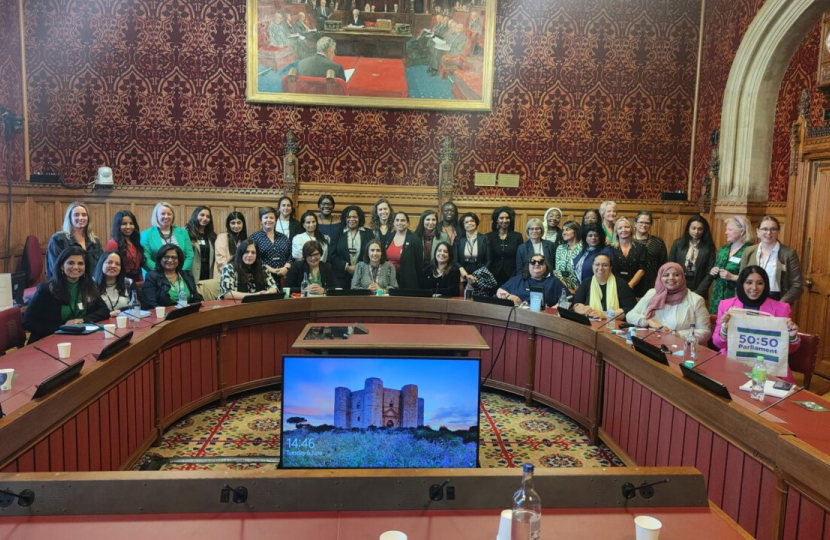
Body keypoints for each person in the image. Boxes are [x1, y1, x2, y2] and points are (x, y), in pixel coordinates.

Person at [712, 266, 800, 379]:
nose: (754, 288)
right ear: (741, 284)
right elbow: (718, 343)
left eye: (760, 283)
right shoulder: (727, 305)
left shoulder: (781, 308)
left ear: (766, 285)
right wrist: (724, 329)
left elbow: (788, 350)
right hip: (734, 364)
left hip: (769, 369)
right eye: (749, 282)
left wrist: (792, 337)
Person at [23, 246, 108, 344]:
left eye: (80, 263)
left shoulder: (89, 286)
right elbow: (28, 322)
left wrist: (82, 320)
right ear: (61, 266)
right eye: (70, 263)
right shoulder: (46, 290)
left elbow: (104, 311)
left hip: (80, 340)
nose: (76, 267)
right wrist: (62, 327)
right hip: (50, 342)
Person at [626, 262, 711, 343]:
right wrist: (649, 321)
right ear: (660, 278)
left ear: (682, 278)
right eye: (666, 275)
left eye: (676, 275)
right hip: (650, 344)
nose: (671, 278)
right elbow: (630, 315)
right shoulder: (652, 293)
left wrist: (676, 334)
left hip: (681, 348)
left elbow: (705, 332)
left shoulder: (696, 300)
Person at [739, 215, 803, 305]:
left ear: (778, 232)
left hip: (777, 300)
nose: (769, 233)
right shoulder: (748, 251)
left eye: (773, 229)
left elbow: (797, 285)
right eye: (764, 229)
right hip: (751, 298)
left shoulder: (788, 253)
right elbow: (741, 281)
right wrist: (740, 302)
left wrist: (781, 304)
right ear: (758, 231)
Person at [704, 216, 754, 314]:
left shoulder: (750, 251)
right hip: (717, 297)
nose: (726, 232)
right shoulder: (723, 249)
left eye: (730, 230)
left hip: (736, 297)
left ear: (742, 231)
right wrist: (713, 271)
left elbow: (753, 278)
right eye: (726, 229)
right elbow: (716, 268)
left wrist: (732, 277)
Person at [47, 202, 104, 281]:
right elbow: (55, 269)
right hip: (64, 286)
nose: (81, 218)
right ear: (70, 218)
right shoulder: (58, 239)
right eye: (76, 215)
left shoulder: (95, 241)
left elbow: (101, 267)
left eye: (84, 215)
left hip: (91, 286)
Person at [572, 253, 637, 319]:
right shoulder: (586, 282)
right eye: (597, 264)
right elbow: (576, 304)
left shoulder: (621, 284)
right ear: (592, 266)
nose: (600, 268)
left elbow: (630, 310)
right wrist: (583, 309)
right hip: (590, 324)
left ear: (610, 268)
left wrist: (606, 315)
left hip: (613, 325)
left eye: (605, 265)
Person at [668, 215, 716, 297]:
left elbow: (710, 272)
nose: (696, 232)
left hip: (698, 285)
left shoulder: (709, 247)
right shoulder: (678, 244)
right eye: (693, 228)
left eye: (700, 229)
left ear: (704, 231)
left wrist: (699, 292)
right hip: (679, 283)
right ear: (688, 229)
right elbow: (670, 265)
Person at [142, 244, 203, 308]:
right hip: (165, 315)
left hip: (187, 313)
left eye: (174, 257)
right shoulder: (152, 276)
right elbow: (151, 303)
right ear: (160, 259)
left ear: (179, 260)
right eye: (166, 257)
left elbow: (197, 299)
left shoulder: (187, 275)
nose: (170, 260)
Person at [141, 202, 194, 273]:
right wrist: (164, 273)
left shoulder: (183, 232)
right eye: (163, 214)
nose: (166, 216)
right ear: (156, 216)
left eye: (169, 214)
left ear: (173, 216)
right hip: (156, 275)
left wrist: (179, 272)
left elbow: (189, 255)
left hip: (180, 275)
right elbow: (146, 258)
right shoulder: (146, 234)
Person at [496, 254, 566, 307]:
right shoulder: (518, 279)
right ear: (528, 265)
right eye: (533, 262)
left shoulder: (554, 281)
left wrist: (553, 310)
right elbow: (500, 291)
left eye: (541, 262)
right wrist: (508, 296)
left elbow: (568, 299)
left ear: (546, 266)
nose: (536, 264)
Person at [330, 205, 373, 288]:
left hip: (363, 276)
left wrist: (359, 268)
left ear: (359, 218)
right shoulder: (337, 232)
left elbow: (371, 253)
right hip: (341, 276)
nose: (351, 219)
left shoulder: (368, 233)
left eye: (355, 217)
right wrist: (346, 267)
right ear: (345, 218)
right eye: (348, 217)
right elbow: (332, 255)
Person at [248, 206, 292, 280]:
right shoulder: (254, 238)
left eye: (271, 218)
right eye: (266, 217)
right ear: (261, 221)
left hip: (284, 277)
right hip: (262, 276)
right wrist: (271, 270)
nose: (269, 220)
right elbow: (253, 258)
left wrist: (286, 268)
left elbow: (290, 257)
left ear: (275, 220)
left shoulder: (283, 237)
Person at [454, 212, 493, 293]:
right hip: (463, 275)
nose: (470, 223)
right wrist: (464, 273)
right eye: (466, 222)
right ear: (463, 225)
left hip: (481, 275)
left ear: (476, 223)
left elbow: (489, 260)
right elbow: (455, 260)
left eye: (472, 221)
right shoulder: (459, 239)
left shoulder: (485, 238)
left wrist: (478, 275)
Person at [384, 211, 423, 289]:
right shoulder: (389, 237)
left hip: (407, 280)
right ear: (394, 223)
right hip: (388, 279)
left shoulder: (415, 239)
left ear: (408, 223)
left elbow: (419, 265)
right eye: (397, 220)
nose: (399, 223)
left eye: (403, 220)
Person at [632, 210, 667, 298]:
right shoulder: (629, 242)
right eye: (641, 222)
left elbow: (663, 265)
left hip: (652, 286)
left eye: (647, 223)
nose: (644, 225)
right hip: (633, 284)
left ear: (651, 224)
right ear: (635, 223)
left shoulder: (658, 242)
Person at [608, 217, 647, 292]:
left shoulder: (641, 247)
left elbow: (642, 269)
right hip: (614, 288)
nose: (624, 230)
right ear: (616, 231)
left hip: (637, 288)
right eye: (620, 228)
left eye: (627, 227)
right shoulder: (610, 248)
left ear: (631, 229)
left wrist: (629, 286)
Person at [486, 206, 523, 285]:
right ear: (496, 220)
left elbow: (519, 258)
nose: (505, 220)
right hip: (492, 276)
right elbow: (487, 258)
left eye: (507, 218)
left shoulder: (517, 237)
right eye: (501, 218)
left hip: (512, 276)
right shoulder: (488, 237)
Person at [105, 210, 143, 283]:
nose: (128, 227)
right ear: (118, 226)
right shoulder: (113, 243)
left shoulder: (135, 242)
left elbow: (139, 266)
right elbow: (109, 268)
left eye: (131, 223)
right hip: (121, 282)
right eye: (124, 224)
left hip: (138, 282)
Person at [93, 251, 133, 318]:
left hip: (125, 322)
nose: (113, 266)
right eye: (109, 262)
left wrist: (121, 310)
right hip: (101, 324)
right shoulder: (91, 285)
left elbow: (142, 305)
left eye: (117, 264)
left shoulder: (128, 283)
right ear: (101, 264)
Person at [185, 206, 216, 282]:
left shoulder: (212, 235)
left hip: (208, 272)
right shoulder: (186, 232)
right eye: (202, 215)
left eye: (208, 216)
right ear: (196, 215)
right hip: (191, 271)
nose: (205, 218)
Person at [552, 220, 584, 292]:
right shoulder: (560, 248)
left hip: (581, 288)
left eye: (567, 230)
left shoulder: (584, 247)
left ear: (575, 231)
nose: (564, 232)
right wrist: (567, 288)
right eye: (563, 230)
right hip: (563, 287)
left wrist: (578, 289)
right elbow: (557, 271)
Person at [214, 212, 247, 277]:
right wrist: (234, 273)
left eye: (239, 223)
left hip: (241, 277)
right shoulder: (222, 237)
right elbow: (221, 261)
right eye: (233, 223)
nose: (236, 226)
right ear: (228, 224)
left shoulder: (244, 240)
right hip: (224, 275)